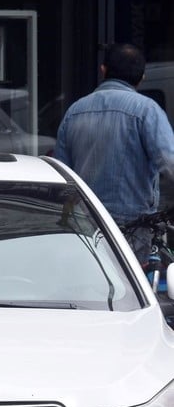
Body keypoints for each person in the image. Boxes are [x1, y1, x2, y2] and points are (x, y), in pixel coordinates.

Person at [55, 42, 174, 261]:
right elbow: (170, 163)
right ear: (142, 77)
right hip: (131, 228)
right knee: (131, 290)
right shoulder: (147, 110)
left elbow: (61, 176)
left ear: (103, 70)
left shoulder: (75, 111)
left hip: (85, 225)